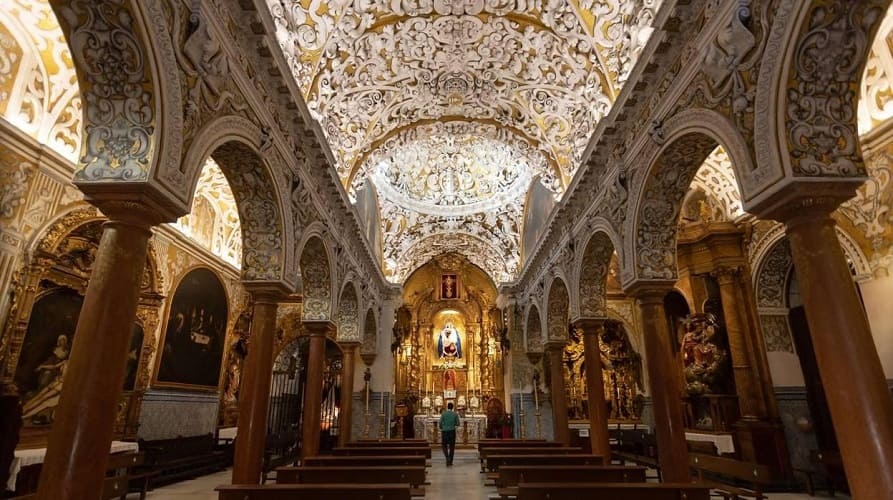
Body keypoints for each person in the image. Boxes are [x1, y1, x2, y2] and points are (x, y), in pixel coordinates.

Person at [439, 402, 460, 466]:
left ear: (447, 407)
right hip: (452, 431)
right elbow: (458, 423)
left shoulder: (443, 414)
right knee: (452, 446)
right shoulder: (455, 414)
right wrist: (453, 425)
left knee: (444, 445)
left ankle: (447, 457)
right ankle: (450, 461)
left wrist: (442, 427)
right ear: (452, 407)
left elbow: (440, 422)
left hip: (444, 431)